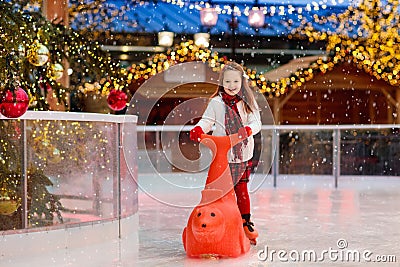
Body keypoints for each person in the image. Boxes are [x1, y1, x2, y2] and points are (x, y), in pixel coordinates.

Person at [189, 61, 262, 244]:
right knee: (219, 191)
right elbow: (207, 121)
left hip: (242, 153)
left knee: (241, 189)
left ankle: (245, 221)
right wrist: (198, 128)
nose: (231, 86)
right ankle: (220, 221)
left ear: (241, 82)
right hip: (222, 155)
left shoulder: (247, 102)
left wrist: (248, 130)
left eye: (235, 82)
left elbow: (256, 122)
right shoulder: (216, 102)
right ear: (222, 82)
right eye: (228, 82)